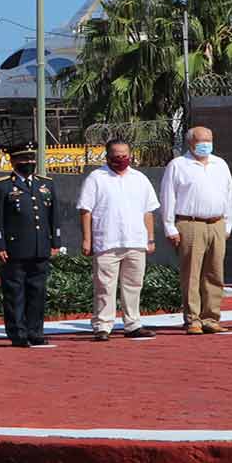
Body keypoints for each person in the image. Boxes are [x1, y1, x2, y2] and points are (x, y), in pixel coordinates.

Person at [78, 139, 160, 341]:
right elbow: (85, 210)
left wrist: (150, 239)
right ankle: (103, 326)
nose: (121, 159)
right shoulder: (96, 178)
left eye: (125, 155)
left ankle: (133, 324)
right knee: (104, 286)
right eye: (116, 155)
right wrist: (87, 240)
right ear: (107, 156)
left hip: (135, 241)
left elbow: (148, 211)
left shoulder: (139, 178)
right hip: (107, 241)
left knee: (133, 285)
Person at [0, 142, 62, 347]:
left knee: (37, 292)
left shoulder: (45, 184)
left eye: (31, 159)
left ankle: (35, 332)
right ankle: (18, 333)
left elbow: (54, 216)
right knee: (15, 293)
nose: (29, 163)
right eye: (24, 159)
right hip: (14, 249)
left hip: (40, 247)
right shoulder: (2, 186)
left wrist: (56, 241)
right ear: (14, 161)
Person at [160, 126, 232, 335]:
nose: (206, 144)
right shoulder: (178, 165)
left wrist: (228, 224)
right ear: (190, 143)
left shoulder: (220, 164)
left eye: (209, 140)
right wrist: (169, 227)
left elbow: (229, 195)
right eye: (202, 140)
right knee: (192, 273)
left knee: (215, 273)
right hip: (190, 224)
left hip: (217, 224)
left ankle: (211, 317)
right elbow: (168, 197)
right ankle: (192, 319)